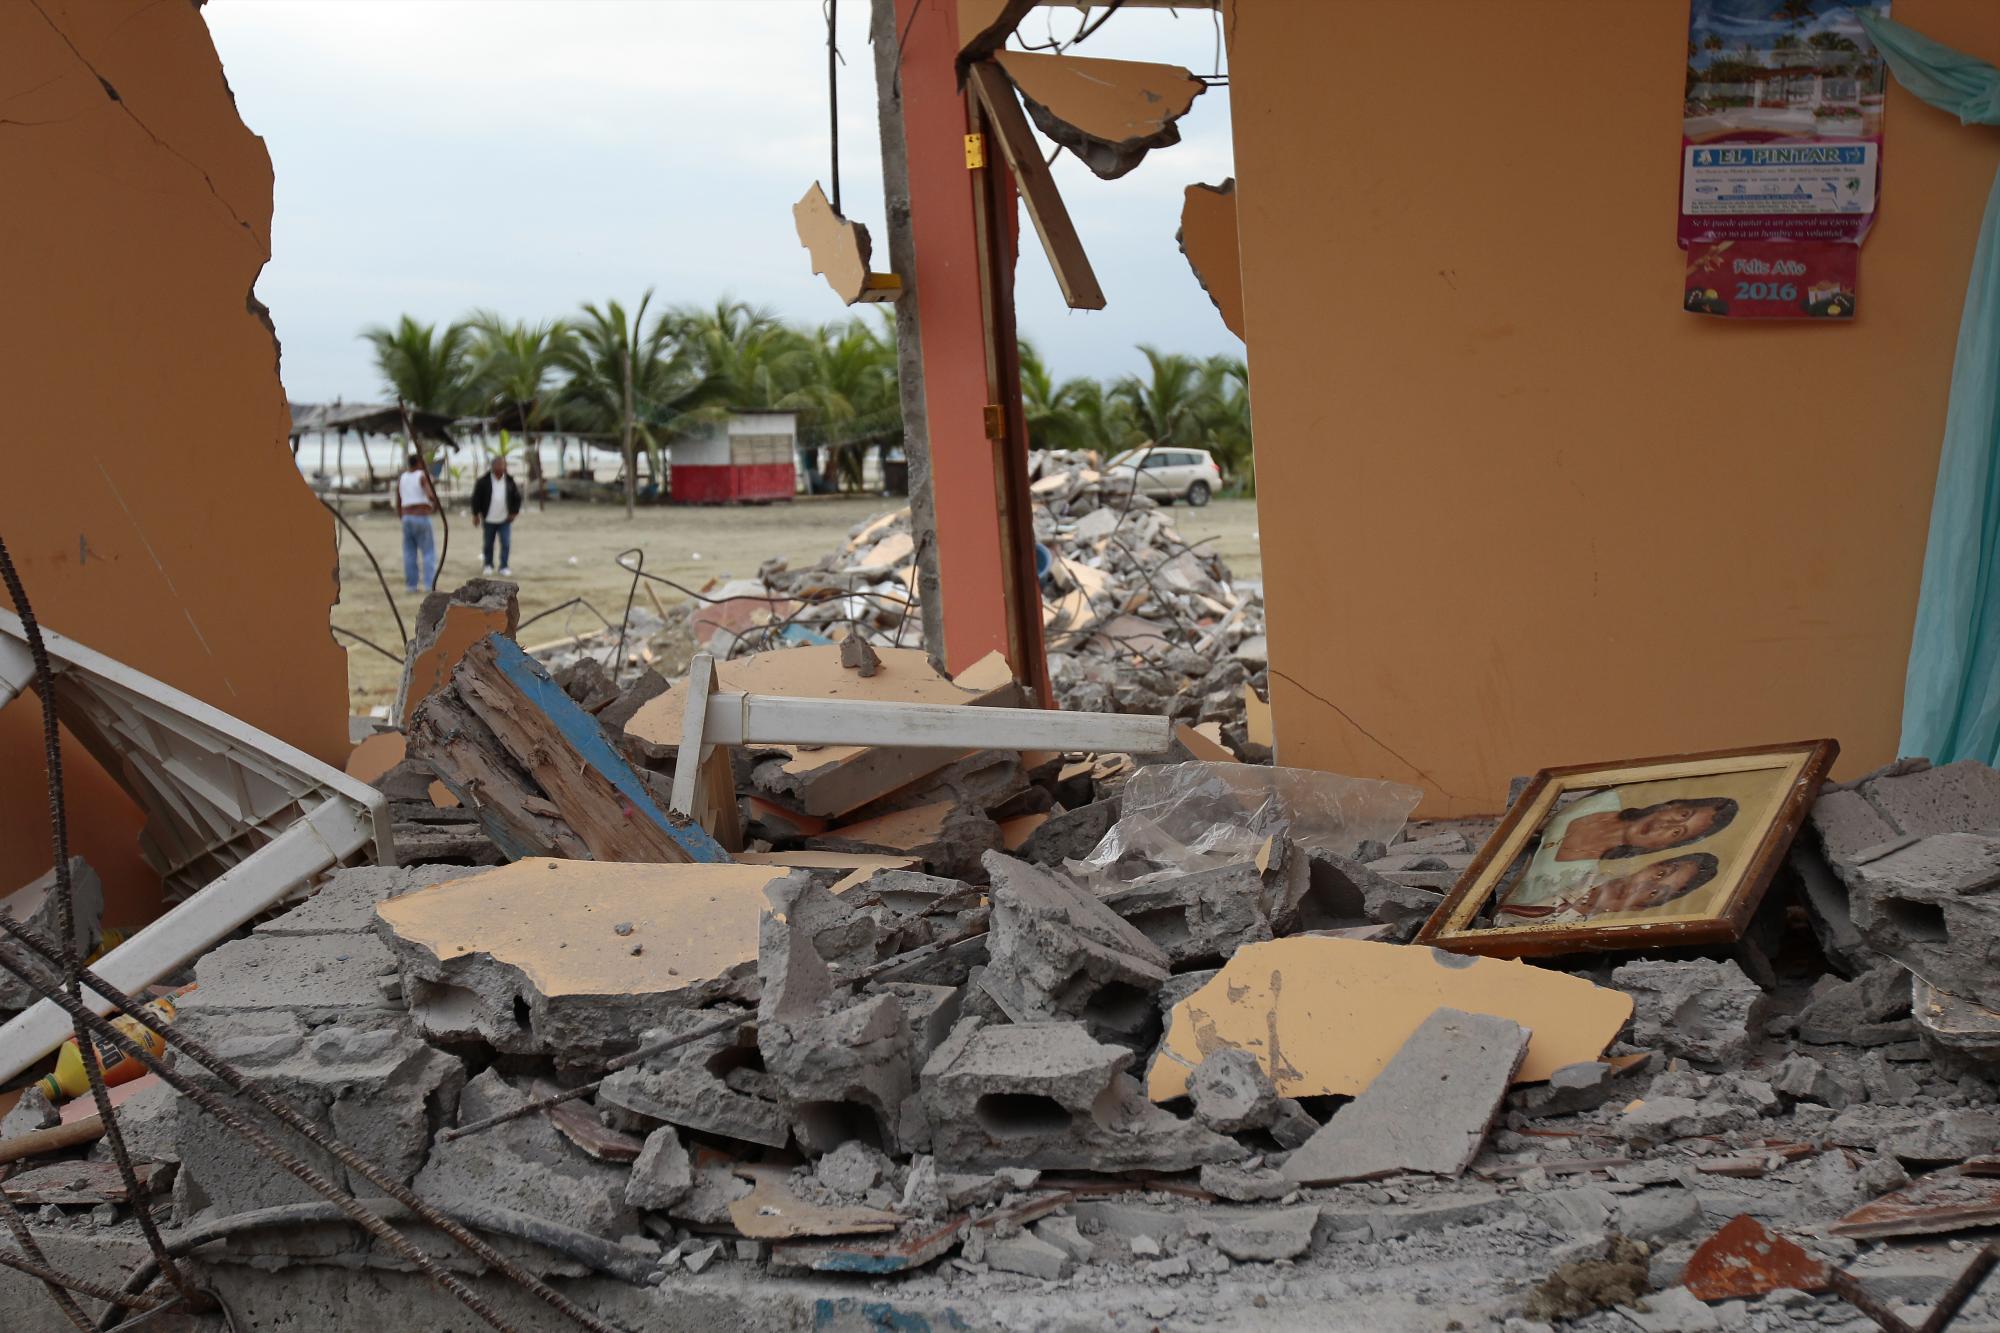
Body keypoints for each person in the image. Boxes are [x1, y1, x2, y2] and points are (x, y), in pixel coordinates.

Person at [1500, 791, 1738, 911]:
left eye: (1678, 833)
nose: (1667, 826)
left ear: (1665, 847)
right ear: (1671, 805)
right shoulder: (1603, 799)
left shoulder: (1572, 878)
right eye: (1683, 815)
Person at [1498, 851, 1720, 923]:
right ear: (1650, 865)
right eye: (1659, 873)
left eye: (1654, 891)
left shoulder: (1590, 932)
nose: (1640, 886)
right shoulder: (1570, 871)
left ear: (1642, 907)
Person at [394, 451, 441, 592]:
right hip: (421, 516)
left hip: (407, 516)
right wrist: (435, 506)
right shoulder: (421, 476)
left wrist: (401, 516)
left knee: (409, 552)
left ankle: (411, 586)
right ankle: (429, 585)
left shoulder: (402, 477)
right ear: (419, 463)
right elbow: (430, 494)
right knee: (428, 552)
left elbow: (398, 499)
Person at [472, 457, 522, 576]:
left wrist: (514, 513)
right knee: (488, 543)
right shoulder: (483, 481)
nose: (501, 467)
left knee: (505, 543)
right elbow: (476, 498)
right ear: (493, 467)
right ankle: (488, 564)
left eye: (503, 465)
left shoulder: (509, 481)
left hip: (505, 519)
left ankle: (504, 566)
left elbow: (517, 498)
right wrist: (475, 514)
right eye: (499, 465)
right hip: (489, 518)